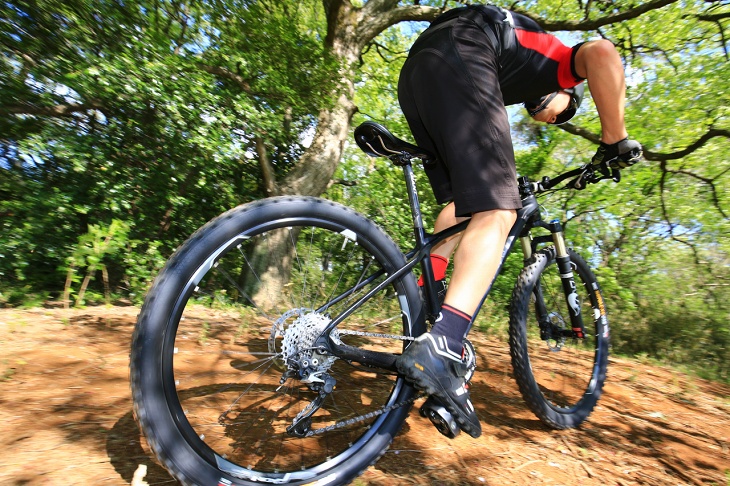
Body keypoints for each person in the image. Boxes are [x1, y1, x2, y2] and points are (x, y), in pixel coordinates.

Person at [395, 4, 642, 438]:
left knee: (461, 205)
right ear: (566, 94)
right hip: (463, 47)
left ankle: (423, 298)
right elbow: (602, 52)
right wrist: (614, 139)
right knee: (499, 210)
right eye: (565, 113)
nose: (555, 118)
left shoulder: (514, 73)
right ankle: (445, 343)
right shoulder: (561, 63)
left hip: (418, 70)